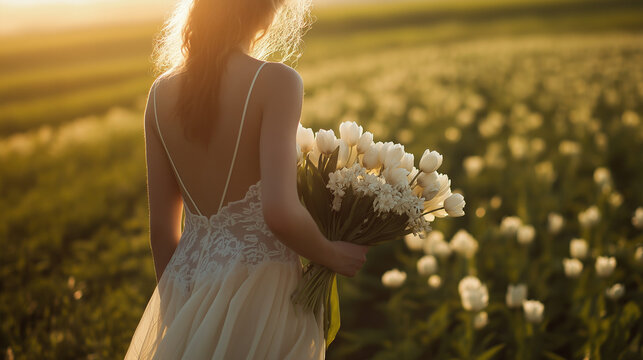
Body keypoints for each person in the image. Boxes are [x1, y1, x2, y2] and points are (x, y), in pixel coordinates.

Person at [124, 0, 370, 358]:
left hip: (186, 284)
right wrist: (333, 255)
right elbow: (279, 212)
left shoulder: (160, 94)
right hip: (259, 287)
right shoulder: (276, 82)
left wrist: (177, 310)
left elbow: (163, 233)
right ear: (264, 12)